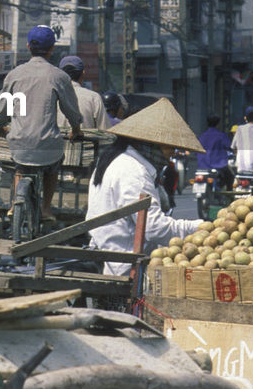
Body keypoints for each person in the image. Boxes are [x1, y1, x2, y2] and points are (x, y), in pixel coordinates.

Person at [85, 99, 203, 276]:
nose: (173, 152)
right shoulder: (133, 170)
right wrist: (200, 227)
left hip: (113, 255)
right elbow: (155, 228)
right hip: (124, 264)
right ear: (149, 142)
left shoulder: (119, 159)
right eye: (169, 146)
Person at [0, 26, 82, 222]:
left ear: (28, 46)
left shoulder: (14, 75)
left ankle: (13, 205)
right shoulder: (58, 76)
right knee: (52, 168)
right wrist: (76, 129)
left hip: (18, 143)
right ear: (52, 49)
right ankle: (45, 208)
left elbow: (1, 109)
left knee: (20, 167)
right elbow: (71, 111)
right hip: (47, 145)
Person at [57, 56, 110, 132]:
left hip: (58, 144)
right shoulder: (93, 98)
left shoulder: (53, 96)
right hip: (86, 143)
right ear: (83, 74)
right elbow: (105, 132)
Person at [197, 114, 233, 189]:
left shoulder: (202, 136)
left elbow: (196, 149)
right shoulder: (221, 136)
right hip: (218, 165)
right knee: (230, 177)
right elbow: (229, 147)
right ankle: (229, 197)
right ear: (218, 124)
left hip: (203, 166)